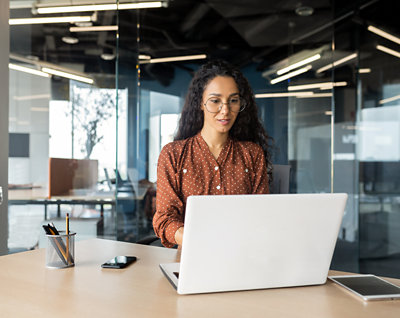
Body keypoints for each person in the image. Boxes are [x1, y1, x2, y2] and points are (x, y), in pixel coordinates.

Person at [152, 60, 273, 247]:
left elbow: (262, 216)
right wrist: (199, 240)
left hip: (242, 255)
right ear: (200, 102)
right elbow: (165, 219)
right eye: (215, 101)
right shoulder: (173, 154)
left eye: (233, 101)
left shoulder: (252, 154)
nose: (225, 110)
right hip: (191, 259)